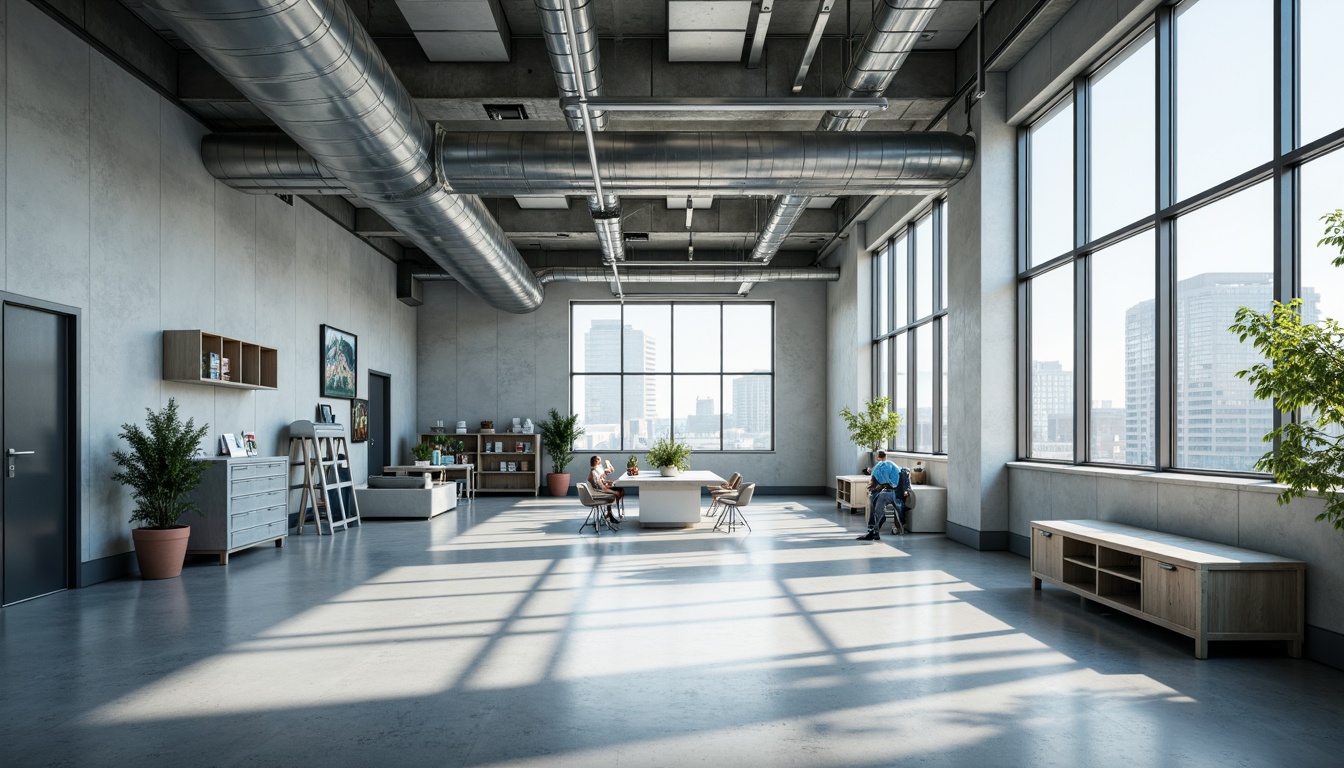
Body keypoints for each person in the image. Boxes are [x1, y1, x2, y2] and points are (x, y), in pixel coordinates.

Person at [858, 450, 903, 541]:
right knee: (874, 496)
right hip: (898, 491)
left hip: (891, 492)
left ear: (878, 457)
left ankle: (872, 531)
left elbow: (887, 483)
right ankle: (875, 529)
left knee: (873, 501)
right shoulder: (890, 464)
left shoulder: (880, 468)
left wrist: (873, 489)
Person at [589, 455, 624, 523]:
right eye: (599, 459)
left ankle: (610, 512)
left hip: (602, 487)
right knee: (618, 491)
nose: (601, 461)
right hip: (600, 491)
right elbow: (603, 488)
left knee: (621, 490)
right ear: (596, 461)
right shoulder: (594, 472)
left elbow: (611, 470)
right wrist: (614, 492)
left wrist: (608, 464)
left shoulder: (598, 468)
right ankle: (611, 512)